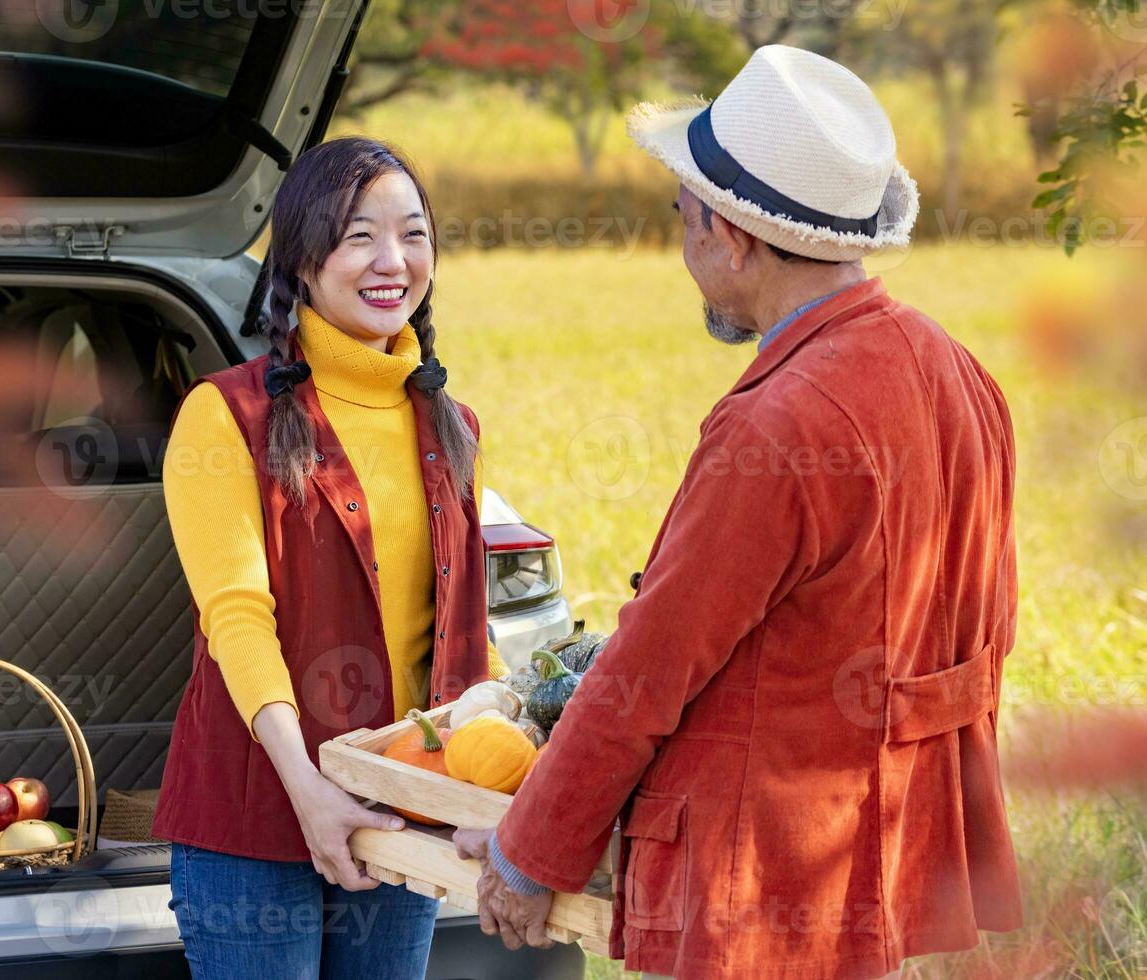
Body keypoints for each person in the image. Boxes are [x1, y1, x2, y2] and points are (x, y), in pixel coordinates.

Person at [454, 45, 1024, 980]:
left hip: (757, 885)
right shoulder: (960, 371)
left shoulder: (774, 428)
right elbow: (983, 631)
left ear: (733, 236)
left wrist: (528, 856)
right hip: (869, 860)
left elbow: (651, 666)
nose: (684, 249)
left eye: (684, 221)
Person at [151, 135, 508, 980]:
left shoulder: (454, 426)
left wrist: (485, 788)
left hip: (404, 818)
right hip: (256, 820)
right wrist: (310, 793)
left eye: (414, 233)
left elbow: (466, 637)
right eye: (359, 235)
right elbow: (235, 616)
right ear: (304, 261)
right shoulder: (223, 417)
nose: (393, 260)